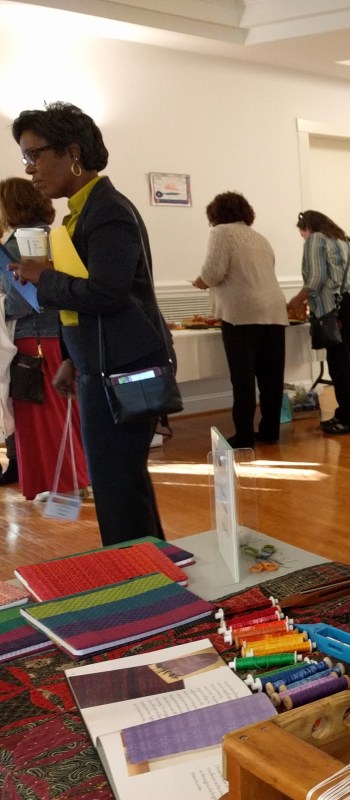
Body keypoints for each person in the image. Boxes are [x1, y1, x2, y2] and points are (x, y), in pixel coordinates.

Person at [9, 102, 171, 545]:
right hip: (100, 363)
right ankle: (149, 575)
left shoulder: (108, 210)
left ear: (72, 151)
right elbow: (88, 299)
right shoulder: (80, 212)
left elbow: (106, 292)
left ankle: (139, 585)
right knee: (121, 483)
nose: (29, 169)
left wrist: (43, 276)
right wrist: (71, 358)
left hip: (125, 367)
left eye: (34, 155)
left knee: (118, 485)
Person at [0, 177, 91, 499]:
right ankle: (75, 480)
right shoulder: (56, 236)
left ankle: (64, 485)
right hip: (64, 335)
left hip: (34, 336)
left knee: (42, 417)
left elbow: (23, 299)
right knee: (67, 412)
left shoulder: (16, 245)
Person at [193, 191, 288, 449]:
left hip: (242, 313)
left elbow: (213, 272)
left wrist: (199, 282)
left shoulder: (222, 232)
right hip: (275, 311)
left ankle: (244, 436)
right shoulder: (260, 238)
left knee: (243, 379)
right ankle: (270, 430)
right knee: (271, 378)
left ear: (215, 214)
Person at [286, 210, 350, 436]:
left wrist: (296, 300)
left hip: (339, 309)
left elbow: (315, 279)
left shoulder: (316, 239)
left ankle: (349, 421)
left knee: (340, 368)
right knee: (343, 366)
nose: (303, 238)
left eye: (302, 233)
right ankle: (342, 414)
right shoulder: (345, 241)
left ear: (308, 227)